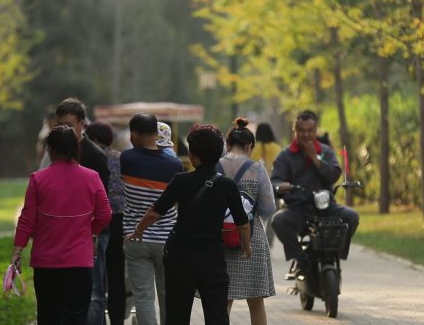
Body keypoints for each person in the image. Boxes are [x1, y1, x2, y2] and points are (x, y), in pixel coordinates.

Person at [125, 124, 251, 325]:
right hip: (212, 258)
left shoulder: (181, 181)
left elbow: (155, 212)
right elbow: (242, 224)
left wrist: (138, 230)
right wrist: (246, 246)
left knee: (177, 313)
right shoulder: (227, 185)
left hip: (181, 257)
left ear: (193, 155)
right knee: (217, 314)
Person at [11, 125, 112, 325]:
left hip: (46, 262)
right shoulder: (91, 177)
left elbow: (27, 219)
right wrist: (89, 232)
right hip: (79, 262)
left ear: (50, 150)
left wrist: (17, 250)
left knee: (48, 316)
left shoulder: (38, 179)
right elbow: (105, 214)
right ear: (76, 148)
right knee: (76, 317)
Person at [270, 110, 359, 271]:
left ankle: (336, 253)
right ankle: (300, 259)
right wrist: (280, 186)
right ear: (295, 131)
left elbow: (333, 175)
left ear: (315, 130)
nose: (305, 135)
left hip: (326, 207)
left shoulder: (325, 151)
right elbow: (275, 181)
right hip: (297, 208)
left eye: (309, 130)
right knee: (278, 220)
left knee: (351, 216)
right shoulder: (285, 155)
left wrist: (316, 159)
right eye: (301, 131)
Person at [120, 113, 183, 325]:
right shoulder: (175, 166)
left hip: (135, 238)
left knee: (144, 298)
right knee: (168, 296)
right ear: (157, 134)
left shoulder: (126, 159)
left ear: (133, 134)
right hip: (167, 240)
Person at [54, 98, 113, 325]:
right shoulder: (56, 152)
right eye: (60, 124)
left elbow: (102, 202)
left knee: (94, 290)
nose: (64, 129)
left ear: (82, 124)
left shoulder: (95, 156)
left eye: (69, 124)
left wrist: (93, 233)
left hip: (92, 233)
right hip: (62, 232)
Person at [218, 118, 276, 325]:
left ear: (227, 144)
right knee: (256, 300)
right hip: (250, 240)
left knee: (223, 299)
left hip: (220, 239)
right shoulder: (257, 169)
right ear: (250, 146)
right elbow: (268, 208)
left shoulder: (215, 167)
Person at [85, 121, 127, 325]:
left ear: (93, 139)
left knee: (97, 276)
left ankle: (98, 318)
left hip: (97, 222)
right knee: (117, 273)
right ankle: (118, 320)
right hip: (119, 219)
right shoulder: (119, 158)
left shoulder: (90, 157)